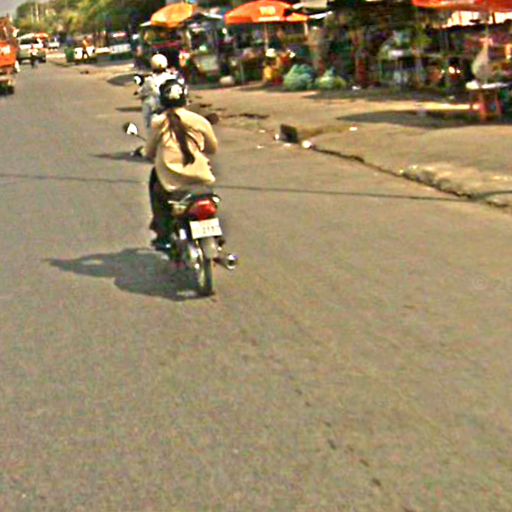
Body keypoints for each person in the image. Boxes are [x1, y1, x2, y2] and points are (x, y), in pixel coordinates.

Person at [144, 77, 218, 250]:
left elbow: (149, 152)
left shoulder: (158, 122)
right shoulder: (199, 120)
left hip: (171, 183)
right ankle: (216, 236)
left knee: (157, 193)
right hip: (201, 179)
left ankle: (163, 235)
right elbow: (212, 148)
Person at [139, 54, 178, 130]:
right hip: (173, 106)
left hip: (159, 107)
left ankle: (149, 129)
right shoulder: (172, 77)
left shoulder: (150, 80)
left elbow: (142, 92)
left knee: (147, 103)